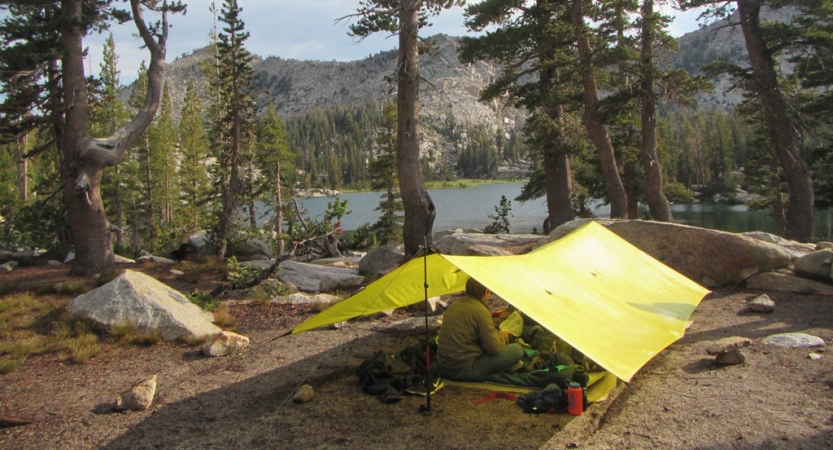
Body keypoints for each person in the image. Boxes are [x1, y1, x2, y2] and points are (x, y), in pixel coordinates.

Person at [437, 277, 524, 381]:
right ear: (486, 292)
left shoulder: (454, 306)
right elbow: (494, 348)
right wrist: (502, 336)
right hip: (463, 369)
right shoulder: (480, 310)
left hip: (444, 365)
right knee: (517, 350)